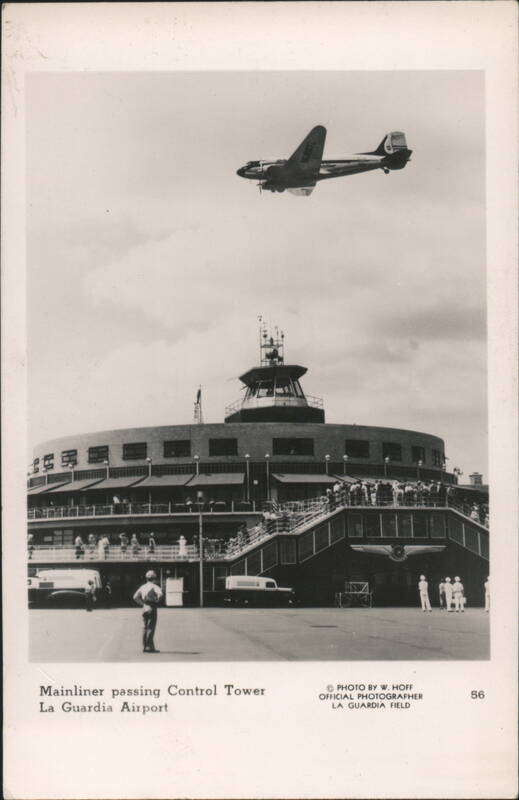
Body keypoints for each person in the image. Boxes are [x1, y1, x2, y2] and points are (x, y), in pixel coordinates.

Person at [133, 570, 163, 653]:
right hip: (152, 606)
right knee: (151, 627)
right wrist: (157, 600)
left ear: (146, 578)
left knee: (145, 626)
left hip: (145, 606)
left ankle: (145, 646)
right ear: (154, 578)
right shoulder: (155, 586)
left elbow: (135, 597)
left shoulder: (143, 587)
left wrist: (143, 604)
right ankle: (149, 647)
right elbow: (160, 594)